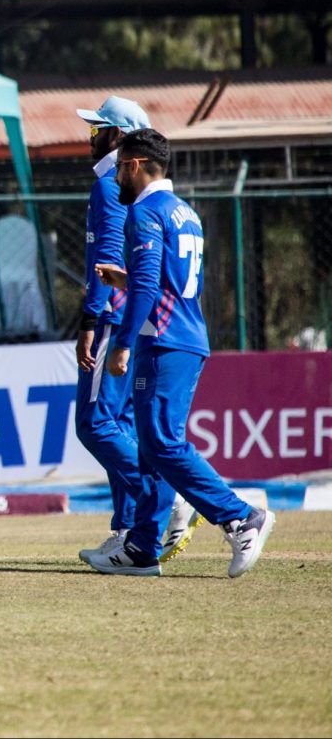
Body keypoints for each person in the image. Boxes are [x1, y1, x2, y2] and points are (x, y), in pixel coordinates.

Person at [91, 129, 275, 578]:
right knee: (151, 446)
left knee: (161, 442)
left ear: (134, 165)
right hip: (183, 335)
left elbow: (153, 284)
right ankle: (141, 547)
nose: (115, 175)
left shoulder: (144, 210)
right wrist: (128, 281)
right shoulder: (184, 212)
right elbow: (163, 280)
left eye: (118, 166)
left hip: (166, 340)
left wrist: (121, 343)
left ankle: (240, 517)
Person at [72, 98, 200, 567]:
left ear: (119, 135)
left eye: (96, 131)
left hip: (112, 314)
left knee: (96, 424)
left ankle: (172, 495)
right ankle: (129, 530)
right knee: (119, 423)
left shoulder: (110, 185)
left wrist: (91, 319)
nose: (90, 140)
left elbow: (106, 258)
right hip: (128, 315)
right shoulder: (120, 184)